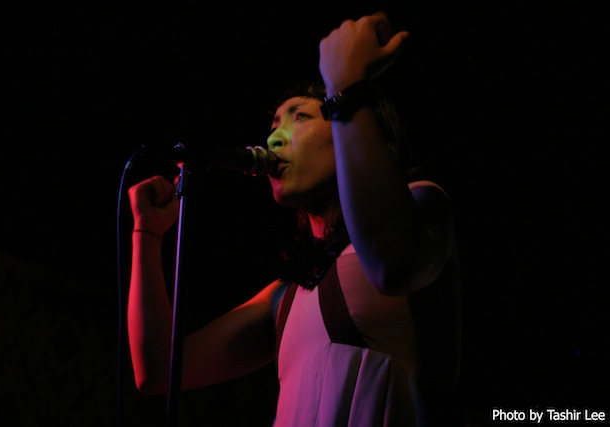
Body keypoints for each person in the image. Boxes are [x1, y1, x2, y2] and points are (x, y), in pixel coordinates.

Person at [127, 12, 462, 427]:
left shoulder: (423, 202)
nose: (273, 138)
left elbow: (393, 265)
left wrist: (347, 88)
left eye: (300, 116)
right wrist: (147, 233)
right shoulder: (284, 297)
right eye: (274, 125)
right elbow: (158, 370)